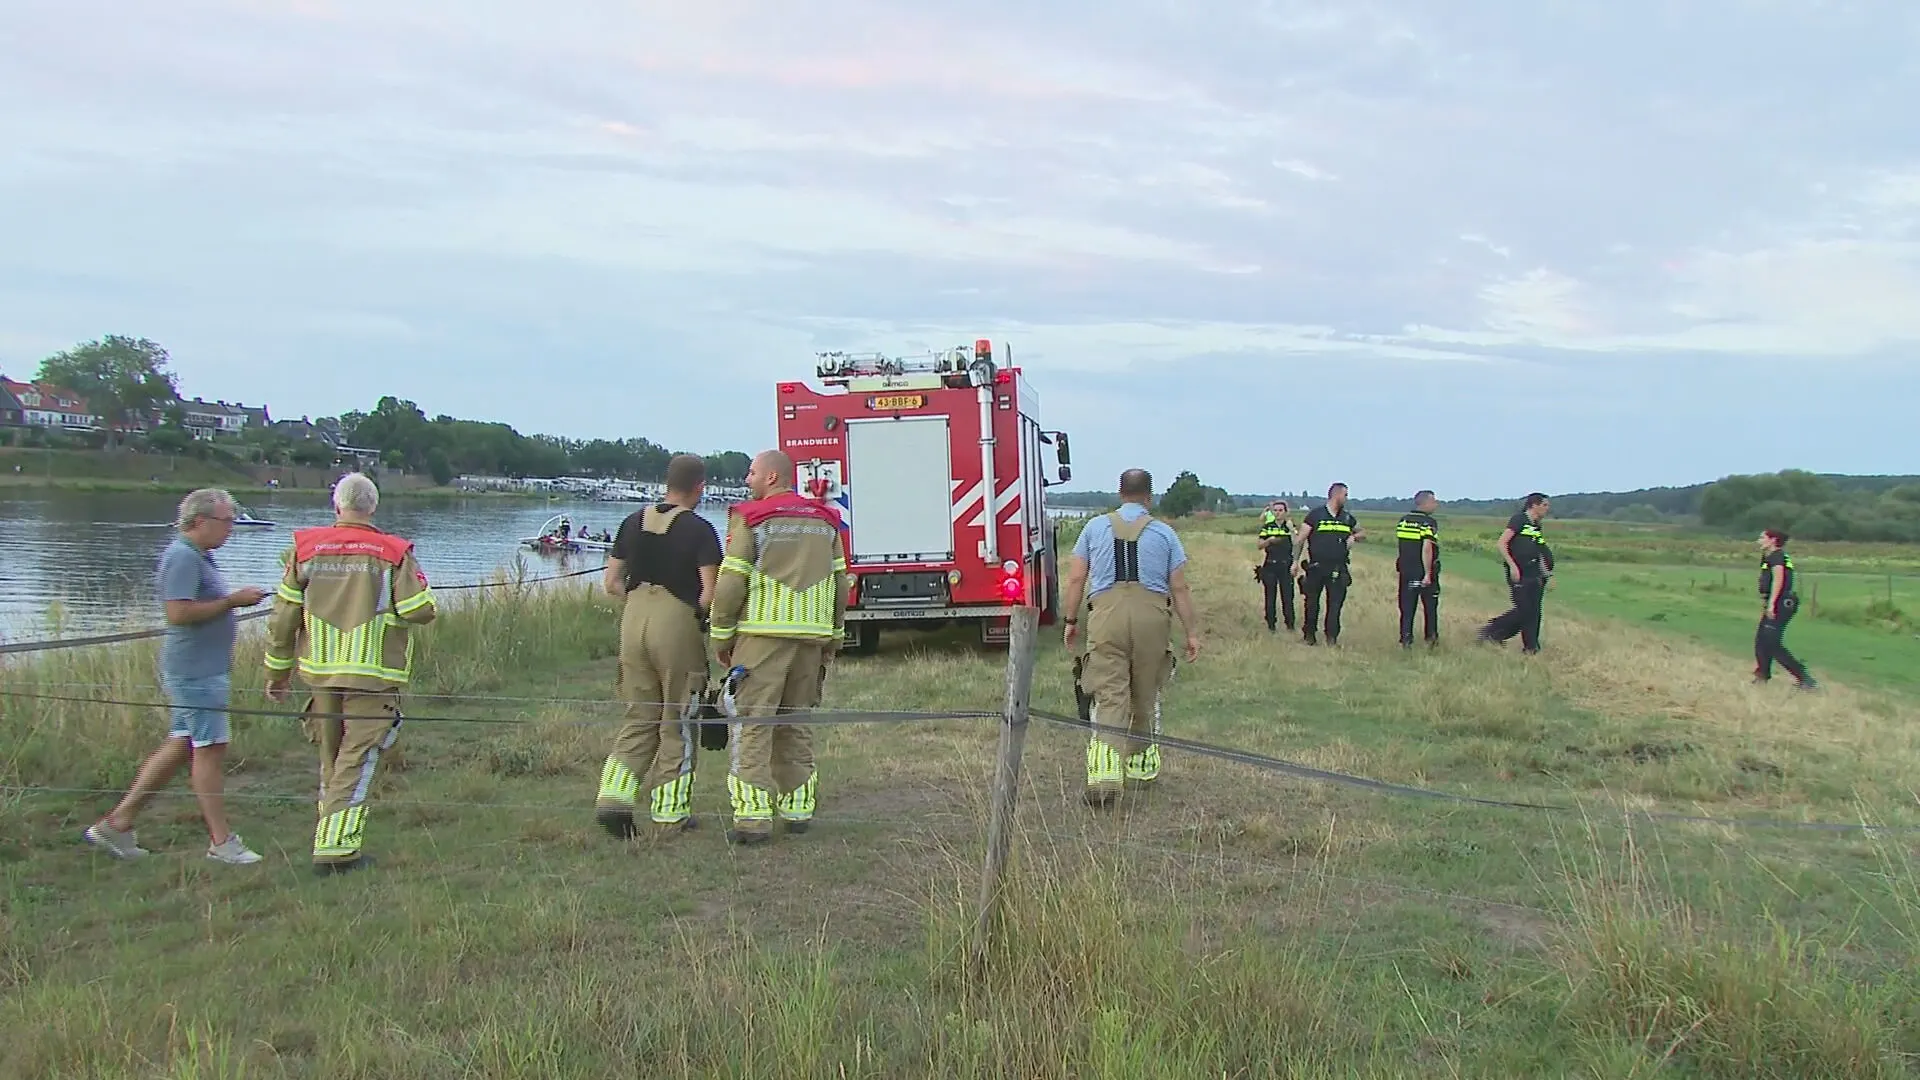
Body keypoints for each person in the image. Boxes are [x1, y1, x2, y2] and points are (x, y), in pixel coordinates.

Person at [263, 472, 438, 875]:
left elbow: (284, 616)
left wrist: (278, 670)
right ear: (373, 507)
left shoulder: (304, 549)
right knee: (356, 758)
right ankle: (336, 849)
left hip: (319, 671)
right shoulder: (392, 551)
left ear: (336, 505)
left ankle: (328, 832)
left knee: (332, 755)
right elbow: (418, 611)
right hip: (371, 672)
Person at [85, 489, 268, 864]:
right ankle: (222, 842)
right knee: (210, 750)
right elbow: (178, 614)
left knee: (183, 744)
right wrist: (233, 601)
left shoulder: (200, 557)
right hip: (195, 673)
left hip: (203, 670)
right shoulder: (183, 557)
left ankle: (117, 825)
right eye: (226, 521)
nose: (231, 529)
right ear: (199, 521)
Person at [708, 450, 847, 846]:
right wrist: (834, 634)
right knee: (796, 723)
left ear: (771, 477)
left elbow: (732, 582)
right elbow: (841, 583)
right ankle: (798, 810)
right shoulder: (826, 521)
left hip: (761, 638)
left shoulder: (751, 518)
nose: (747, 478)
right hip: (811, 641)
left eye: (752, 472)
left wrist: (721, 635)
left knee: (753, 726)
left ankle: (752, 819)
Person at [593, 453, 723, 837]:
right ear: (700, 487)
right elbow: (709, 593)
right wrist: (692, 616)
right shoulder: (700, 530)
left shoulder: (632, 521)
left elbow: (611, 582)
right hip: (675, 619)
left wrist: (637, 603)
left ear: (667, 483)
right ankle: (670, 813)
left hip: (633, 618)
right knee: (678, 718)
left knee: (639, 715)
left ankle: (613, 798)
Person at [1061, 469, 1202, 807]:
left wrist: (1070, 620)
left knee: (1110, 694)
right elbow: (1179, 587)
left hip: (1107, 616)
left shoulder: (1095, 527)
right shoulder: (1165, 533)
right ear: (1149, 497)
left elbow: (1077, 578)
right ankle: (1140, 769)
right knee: (1145, 690)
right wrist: (1192, 632)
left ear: (1120, 493)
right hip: (1152, 617)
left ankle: (1105, 776)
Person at [1478, 493, 1553, 653]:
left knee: (1534, 611)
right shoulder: (1519, 520)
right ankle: (1493, 632)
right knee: (1524, 610)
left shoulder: (1536, 526)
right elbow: (1502, 543)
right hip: (1520, 572)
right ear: (1534, 505)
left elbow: (1540, 551)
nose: (1548, 509)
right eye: (1545, 505)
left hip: (1535, 573)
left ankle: (1531, 647)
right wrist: (1513, 566)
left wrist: (1547, 574)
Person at [1293, 483, 1364, 646]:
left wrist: (1354, 537)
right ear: (1336, 495)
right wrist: (1295, 562)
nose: (1346, 498)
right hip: (1316, 567)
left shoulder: (1346, 518)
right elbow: (1300, 540)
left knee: (1335, 604)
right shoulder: (1315, 515)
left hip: (1338, 567)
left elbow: (1361, 532)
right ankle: (1309, 635)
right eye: (1345, 495)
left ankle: (1331, 637)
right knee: (1312, 603)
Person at [1754, 529, 1817, 690]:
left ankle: (1804, 677)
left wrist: (1772, 603)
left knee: (1772, 643)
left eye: (1762, 537)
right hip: (1776, 601)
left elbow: (1778, 580)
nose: (1759, 540)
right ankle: (1762, 675)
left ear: (1773, 540)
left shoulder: (1777, 557)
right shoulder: (1769, 557)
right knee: (1762, 641)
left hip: (1782, 602)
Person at [1394, 490, 1442, 648]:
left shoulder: (1403, 521)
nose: (1436, 504)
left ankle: (1406, 638)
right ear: (1425, 503)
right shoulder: (1428, 523)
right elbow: (1427, 548)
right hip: (1423, 571)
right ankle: (1431, 638)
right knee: (1430, 606)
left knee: (1407, 607)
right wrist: (1428, 573)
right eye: (1434, 501)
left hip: (1406, 570)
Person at [1255, 499, 1296, 633]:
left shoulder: (1290, 527)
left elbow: (1297, 543)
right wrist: (1269, 540)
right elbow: (1259, 545)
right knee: (1270, 596)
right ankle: (1271, 624)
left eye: (1281, 510)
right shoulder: (1268, 527)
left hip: (1286, 565)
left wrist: (1291, 530)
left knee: (1288, 596)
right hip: (1270, 565)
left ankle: (1290, 624)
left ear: (1286, 512)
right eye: (1276, 510)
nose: (1278, 513)